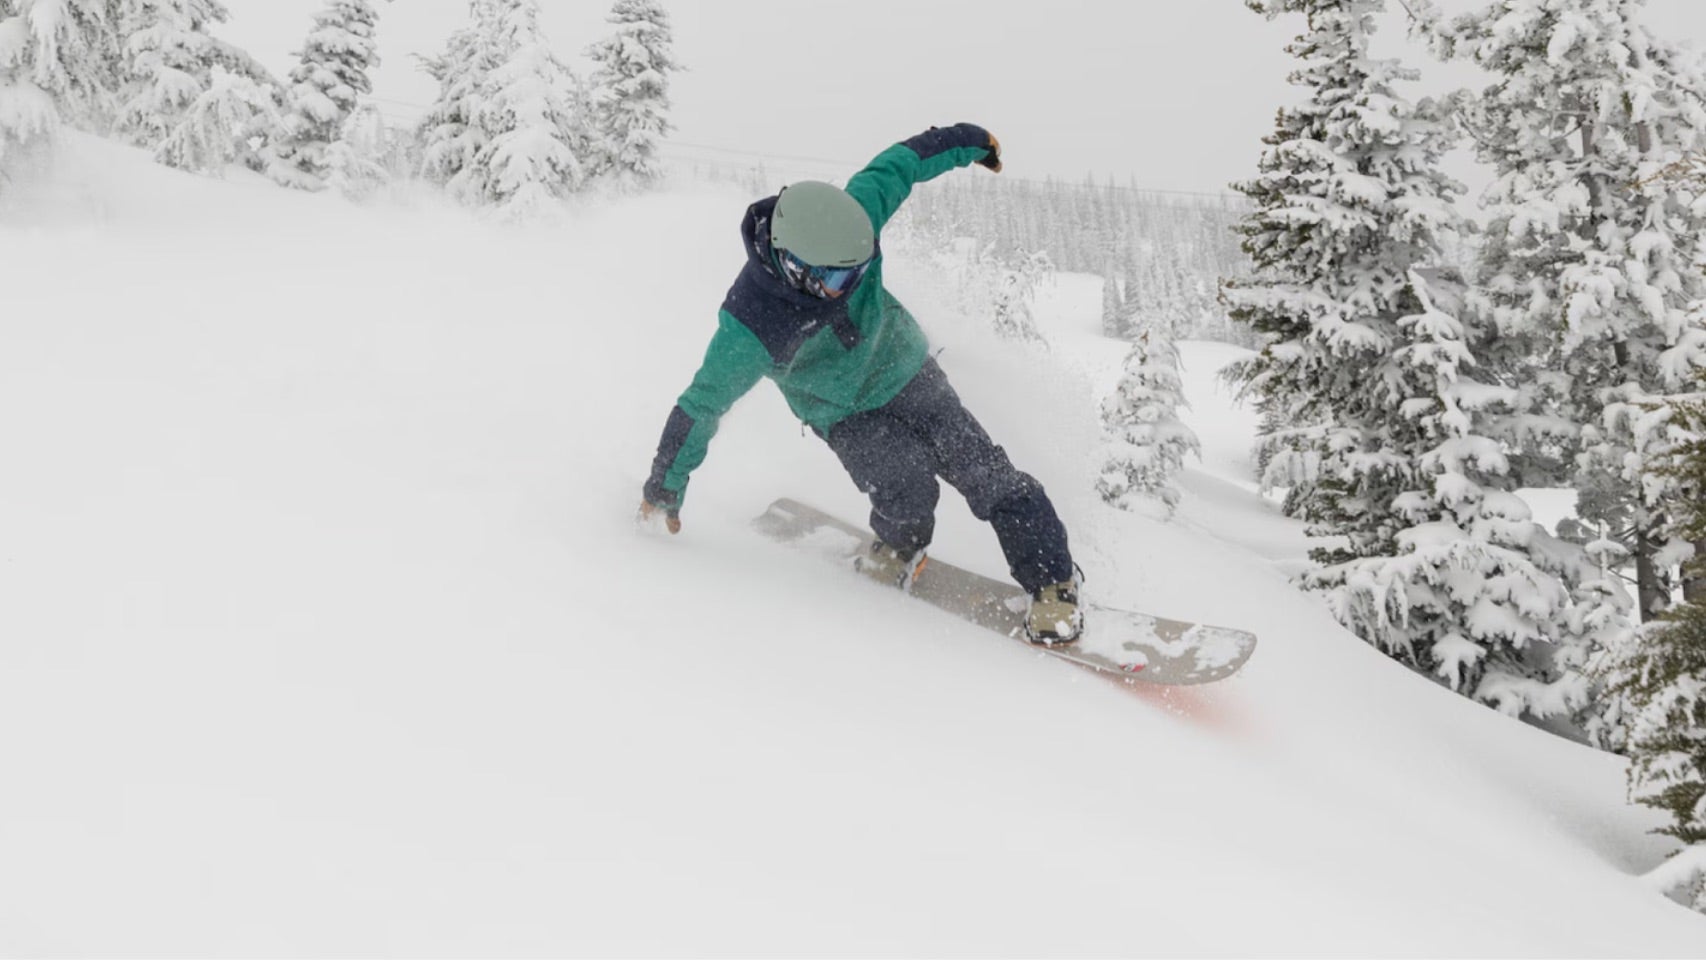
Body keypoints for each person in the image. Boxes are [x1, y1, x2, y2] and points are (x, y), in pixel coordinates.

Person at [638, 123, 1082, 644]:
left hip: (909, 373)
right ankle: (900, 546)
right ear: (794, 265)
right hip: (841, 412)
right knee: (902, 484)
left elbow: (901, 164)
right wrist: (664, 487)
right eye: (838, 278)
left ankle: (1054, 583)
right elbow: (701, 405)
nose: (849, 285)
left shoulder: (852, 222)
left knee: (984, 472)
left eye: (858, 271)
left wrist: (973, 143)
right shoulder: (752, 325)